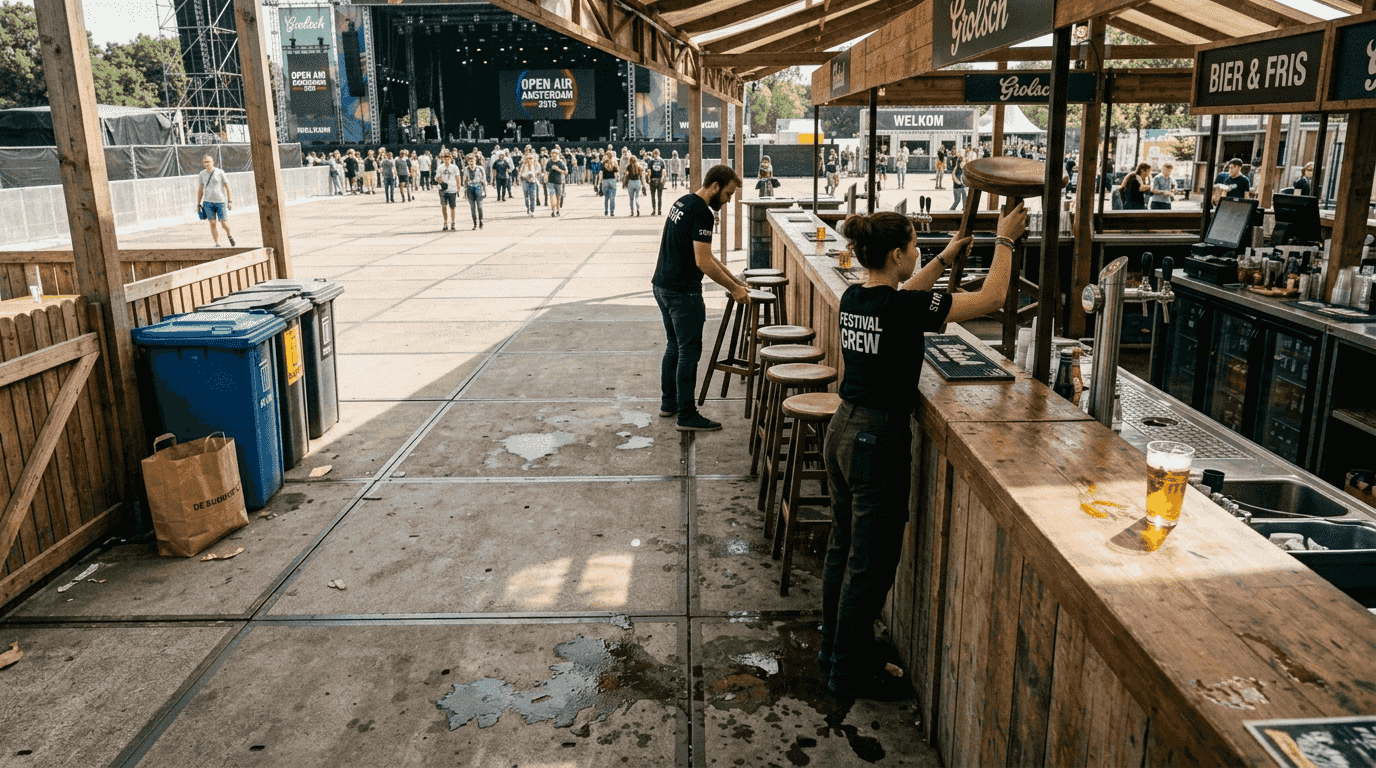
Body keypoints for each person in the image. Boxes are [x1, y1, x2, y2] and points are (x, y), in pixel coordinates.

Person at [820, 201, 1026, 701]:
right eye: (915, 246)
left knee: (843, 551)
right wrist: (1006, 240)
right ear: (895, 254)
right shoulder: (903, 309)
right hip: (877, 444)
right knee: (870, 569)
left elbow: (904, 290)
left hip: (843, 431)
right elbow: (992, 297)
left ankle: (837, 651)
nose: (918, 253)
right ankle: (849, 673)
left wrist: (941, 257)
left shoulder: (858, 298)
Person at [652, 165, 749, 433]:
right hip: (683, 293)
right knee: (689, 353)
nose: (728, 201)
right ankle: (687, 414)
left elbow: (706, 255)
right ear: (715, 186)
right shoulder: (702, 214)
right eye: (728, 194)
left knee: (674, 346)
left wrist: (735, 281)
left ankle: (668, 403)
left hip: (661, 286)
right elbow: (703, 262)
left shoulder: (683, 201)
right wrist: (735, 290)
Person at [196, 154, 235, 246]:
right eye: (205, 162)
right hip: (208, 202)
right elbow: (200, 189)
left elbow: (228, 187)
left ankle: (229, 235)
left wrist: (230, 201)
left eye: (208, 162)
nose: (206, 164)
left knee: (223, 223)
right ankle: (217, 243)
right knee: (212, 223)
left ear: (212, 162)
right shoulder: (202, 174)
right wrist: (198, 203)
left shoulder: (220, 172)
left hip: (220, 201)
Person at [435, 151, 461, 231]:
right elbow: (436, 177)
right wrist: (439, 180)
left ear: (451, 159)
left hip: (452, 189)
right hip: (442, 189)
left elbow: (457, 177)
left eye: (448, 159)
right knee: (443, 206)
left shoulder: (454, 167)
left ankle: (453, 222)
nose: (446, 161)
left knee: (452, 207)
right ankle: (445, 222)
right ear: (443, 159)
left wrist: (458, 187)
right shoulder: (440, 167)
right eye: (445, 159)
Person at [463, 154, 488, 229]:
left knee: (480, 206)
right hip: (470, 188)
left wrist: (485, 191)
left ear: (475, 161)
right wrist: (464, 192)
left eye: (472, 161)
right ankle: (475, 223)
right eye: (469, 161)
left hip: (478, 187)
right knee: (472, 207)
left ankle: (481, 220)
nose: (471, 163)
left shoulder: (480, 168)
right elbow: (465, 180)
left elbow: (484, 180)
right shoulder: (466, 169)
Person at [547, 149, 568, 217]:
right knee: (552, 196)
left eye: (555, 153)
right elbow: (546, 171)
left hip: (559, 182)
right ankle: (553, 211)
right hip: (550, 182)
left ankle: (558, 210)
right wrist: (545, 177)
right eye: (552, 153)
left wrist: (557, 169)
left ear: (558, 154)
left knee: (558, 197)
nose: (553, 155)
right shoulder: (549, 162)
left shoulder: (560, 162)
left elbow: (566, 172)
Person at [647, 149, 666, 215]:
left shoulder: (651, 161)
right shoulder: (662, 161)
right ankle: (659, 210)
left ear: (653, 154)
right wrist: (662, 179)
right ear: (659, 153)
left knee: (653, 196)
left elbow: (649, 171)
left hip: (653, 180)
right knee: (659, 196)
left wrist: (648, 179)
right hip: (659, 180)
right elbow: (663, 171)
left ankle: (654, 210)